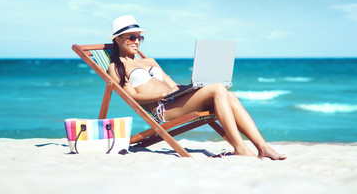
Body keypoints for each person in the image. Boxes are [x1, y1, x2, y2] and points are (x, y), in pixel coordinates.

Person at [107, 15, 286, 160]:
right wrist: (164, 93)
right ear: (118, 39)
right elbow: (131, 96)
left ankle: (263, 147)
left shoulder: (149, 61)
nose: (137, 41)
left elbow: (171, 84)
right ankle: (240, 147)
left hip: (176, 100)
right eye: (132, 37)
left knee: (227, 94)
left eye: (140, 37)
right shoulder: (116, 66)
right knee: (217, 88)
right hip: (164, 109)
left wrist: (191, 87)